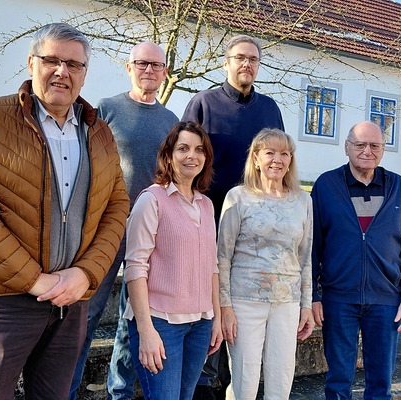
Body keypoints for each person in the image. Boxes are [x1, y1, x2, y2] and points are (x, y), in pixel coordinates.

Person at [0, 22, 129, 399]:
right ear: (32, 64)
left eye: (74, 64)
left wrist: (86, 274)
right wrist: (34, 280)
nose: (62, 71)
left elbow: (116, 206)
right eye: (52, 60)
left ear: (84, 74)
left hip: (71, 301)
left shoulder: (99, 133)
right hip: (6, 298)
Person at [68, 41, 179, 400]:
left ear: (164, 72)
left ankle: (118, 392)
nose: (149, 70)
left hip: (148, 234)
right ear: (129, 68)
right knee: (84, 317)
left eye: (156, 65)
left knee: (133, 319)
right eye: (142, 64)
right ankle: (66, 390)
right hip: (104, 228)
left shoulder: (171, 122)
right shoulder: (107, 110)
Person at [181, 34, 284, 400]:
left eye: (253, 59)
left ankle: (234, 383)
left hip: (256, 227)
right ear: (226, 62)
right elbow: (184, 157)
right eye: (240, 58)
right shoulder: (204, 103)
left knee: (239, 305)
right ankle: (205, 383)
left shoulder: (270, 109)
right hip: (208, 219)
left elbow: (278, 163)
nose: (247, 65)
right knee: (210, 301)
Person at [310, 121, 401, 400]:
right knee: (338, 382)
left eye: (375, 145)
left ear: (383, 149)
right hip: (338, 300)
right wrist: (313, 295)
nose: (367, 151)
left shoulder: (399, 188)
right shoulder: (326, 186)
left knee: (380, 385)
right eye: (360, 144)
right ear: (347, 147)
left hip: (386, 301)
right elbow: (311, 247)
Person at [124, 121, 223, 399]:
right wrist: (145, 330)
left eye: (199, 149)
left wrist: (214, 317)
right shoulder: (151, 200)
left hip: (200, 324)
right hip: (160, 323)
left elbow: (212, 267)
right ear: (168, 155)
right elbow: (135, 268)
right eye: (183, 148)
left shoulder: (206, 204)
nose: (192, 155)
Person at [218, 128, 315, 399]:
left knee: (281, 380)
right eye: (270, 152)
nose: (277, 159)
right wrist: (224, 306)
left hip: (287, 302)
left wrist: (306, 306)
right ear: (256, 158)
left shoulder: (303, 201)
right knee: (244, 381)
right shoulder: (238, 198)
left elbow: (305, 257)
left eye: (285, 153)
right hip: (244, 301)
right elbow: (222, 256)